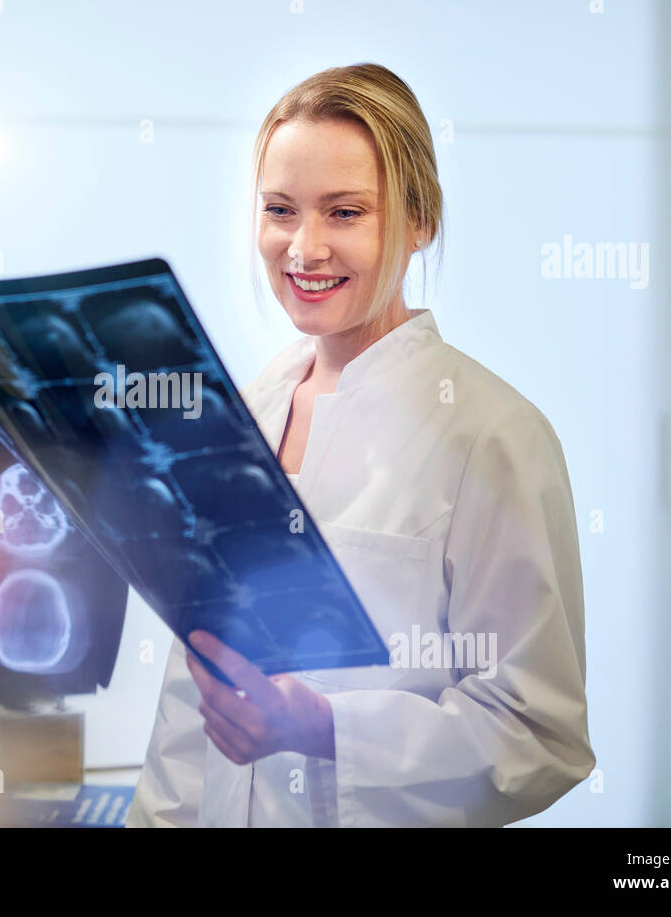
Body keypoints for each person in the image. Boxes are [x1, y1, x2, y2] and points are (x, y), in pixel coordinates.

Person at [126, 63, 596, 827]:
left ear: (419, 222)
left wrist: (324, 731)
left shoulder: (494, 437)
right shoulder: (238, 418)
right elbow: (189, 705)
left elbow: (541, 735)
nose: (304, 249)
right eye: (280, 209)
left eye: (344, 213)